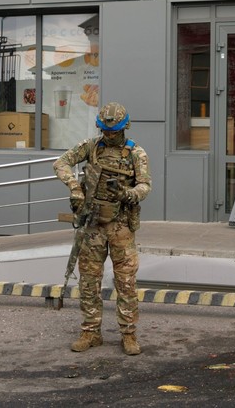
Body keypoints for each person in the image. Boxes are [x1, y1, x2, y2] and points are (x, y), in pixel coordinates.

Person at [53, 102, 152, 355]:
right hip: (93, 224)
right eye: (105, 131)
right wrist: (75, 188)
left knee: (126, 282)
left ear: (124, 128)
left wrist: (126, 194)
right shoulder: (91, 147)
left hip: (120, 226)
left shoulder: (135, 153)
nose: (109, 135)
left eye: (114, 131)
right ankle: (90, 331)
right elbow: (61, 163)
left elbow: (144, 186)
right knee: (88, 280)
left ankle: (128, 334)